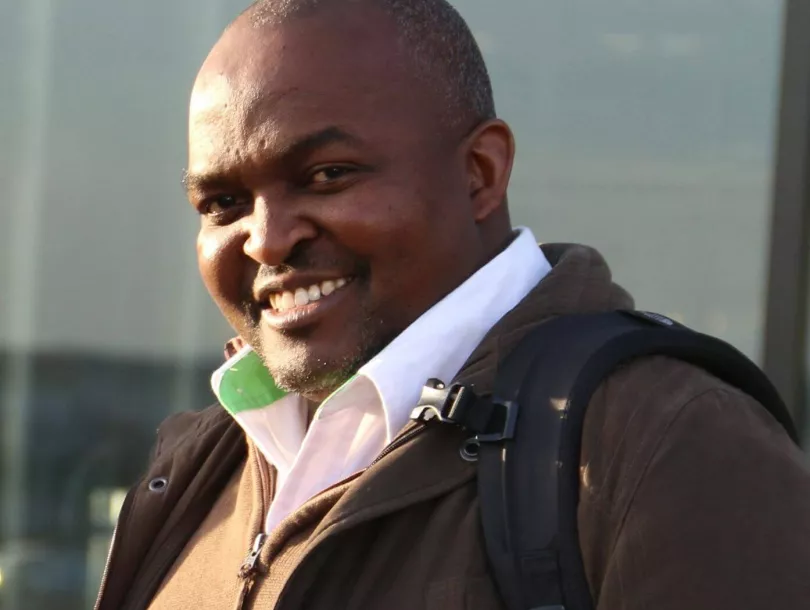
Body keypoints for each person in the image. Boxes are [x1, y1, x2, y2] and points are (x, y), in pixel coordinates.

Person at [94, 0, 810, 608]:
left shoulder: (670, 442)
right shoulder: (195, 469)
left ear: (480, 173)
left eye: (327, 174)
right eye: (223, 203)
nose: (267, 240)